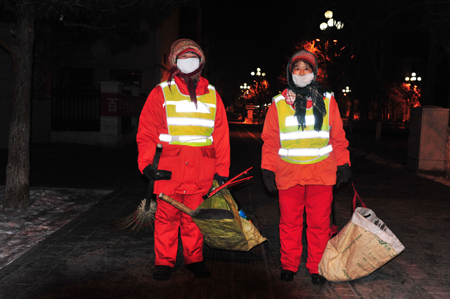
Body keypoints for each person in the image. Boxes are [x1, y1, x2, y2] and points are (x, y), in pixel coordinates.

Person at [136, 39, 230, 281]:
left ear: (201, 61)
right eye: (183, 57)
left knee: (194, 218)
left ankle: (194, 259)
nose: (188, 61)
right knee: (166, 218)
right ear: (174, 62)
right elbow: (146, 131)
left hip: (202, 169)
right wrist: (146, 164)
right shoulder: (161, 92)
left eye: (193, 57)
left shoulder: (212, 95)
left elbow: (220, 135)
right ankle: (164, 261)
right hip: (170, 169)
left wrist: (223, 170)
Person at [261, 49, 351, 285]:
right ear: (290, 73)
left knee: (319, 225)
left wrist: (344, 164)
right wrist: (267, 169)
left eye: (307, 68)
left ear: (315, 72)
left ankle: (316, 266)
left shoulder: (328, 100)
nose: (302, 73)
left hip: (321, 174)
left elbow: (337, 138)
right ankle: (289, 265)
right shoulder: (279, 103)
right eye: (297, 68)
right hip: (289, 173)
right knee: (289, 224)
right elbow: (270, 140)